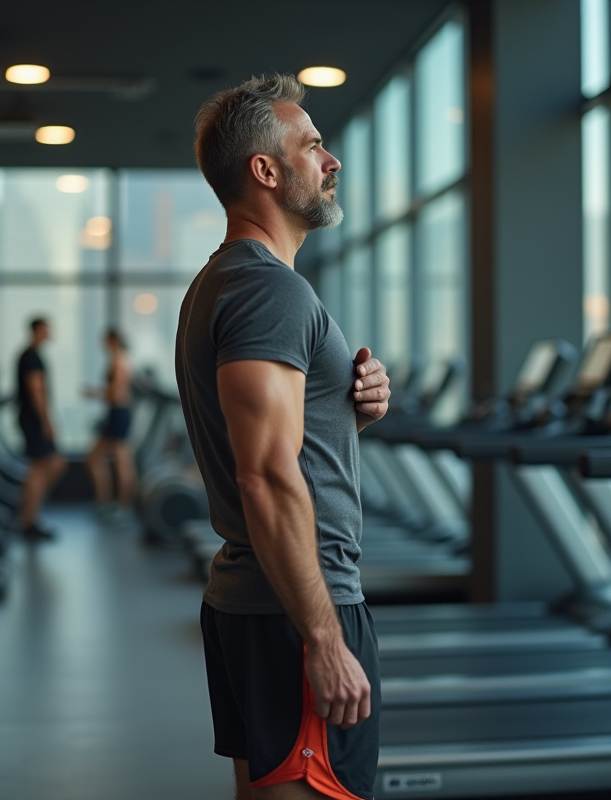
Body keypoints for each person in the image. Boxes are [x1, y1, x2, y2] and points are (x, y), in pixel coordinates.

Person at [177, 75, 392, 800]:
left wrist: (349, 411)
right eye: (313, 146)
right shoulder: (270, 291)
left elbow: (279, 443)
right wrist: (325, 640)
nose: (331, 160)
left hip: (263, 602)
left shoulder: (230, 281)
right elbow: (264, 476)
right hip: (297, 609)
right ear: (265, 172)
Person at [17, 317, 68, 540]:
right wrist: (47, 421)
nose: (50, 332)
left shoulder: (32, 354)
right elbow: (36, 391)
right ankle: (29, 520)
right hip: (34, 419)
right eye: (47, 329)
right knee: (42, 467)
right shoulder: (31, 357)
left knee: (51, 465)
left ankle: (29, 511)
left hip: (32, 418)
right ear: (37, 330)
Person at [84, 328, 137, 525]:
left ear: (113, 340)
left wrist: (93, 394)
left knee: (122, 462)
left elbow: (115, 393)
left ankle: (124, 508)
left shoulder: (120, 361)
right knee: (93, 457)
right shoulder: (117, 359)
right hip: (115, 413)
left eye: (105, 341)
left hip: (119, 413)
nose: (102, 345)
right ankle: (105, 502)